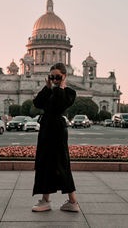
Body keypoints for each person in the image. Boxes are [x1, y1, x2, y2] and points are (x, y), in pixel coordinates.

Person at [32, 62, 79, 212]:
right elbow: (37, 103)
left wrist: (60, 87)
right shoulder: (49, 90)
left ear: (64, 76)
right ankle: (46, 200)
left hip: (57, 130)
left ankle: (72, 201)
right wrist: (47, 88)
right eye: (51, 77)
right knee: (45, 163)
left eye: (57, 77)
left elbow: (60, 104)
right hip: (46, 129)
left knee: (61, 164)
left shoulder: (69, 92)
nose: (54, 80)